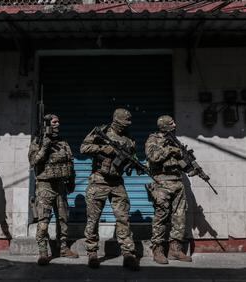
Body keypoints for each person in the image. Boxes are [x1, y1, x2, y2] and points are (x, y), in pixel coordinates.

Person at [80, 108, 139, 271]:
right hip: (99, 180)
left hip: (117, 182)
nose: (126, 125)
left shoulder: (129, 138)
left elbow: (132, 157)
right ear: (116, 120)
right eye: (124, 122)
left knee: (123, 218)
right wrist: (101, 149)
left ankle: (128, 254)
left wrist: (134, 164)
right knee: (93, 219)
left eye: (128, 122)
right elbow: (83, 148)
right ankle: (92, 253)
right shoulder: (102, 131)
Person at [144, 115, 196, 265]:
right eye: (171, 123)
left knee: (179, 217)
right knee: (161, 216)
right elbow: (153, 157)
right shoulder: (153, 139)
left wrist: (189, 166)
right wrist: (169, 150)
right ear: (164, 126)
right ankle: (158, 250)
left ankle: (175, 250)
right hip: (161, 183)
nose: (175, 125)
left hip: (177, 183)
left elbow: (179, 161)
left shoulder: (175, 140)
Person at [28, 114, 78, 265]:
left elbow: (70, 162)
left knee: (63, 219)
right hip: (45, 186)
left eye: (58, 121)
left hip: (61, 186)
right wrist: (45, 146)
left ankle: (63, 247)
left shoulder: (63, 142)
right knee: (43, 221)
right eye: (55, 122)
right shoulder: (37, 141)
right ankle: (43, 252)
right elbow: (33, 161)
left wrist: (71, 181)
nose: (58, 124)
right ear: (47, 124)